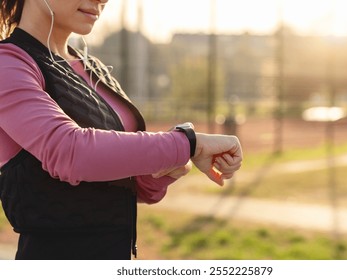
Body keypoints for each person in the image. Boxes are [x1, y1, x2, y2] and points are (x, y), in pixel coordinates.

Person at [0, 0, 243, 260]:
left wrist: (169, 166)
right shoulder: (9, 63)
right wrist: (187, 143)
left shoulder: (92, 67)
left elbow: (131, 183)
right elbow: (69, 152)